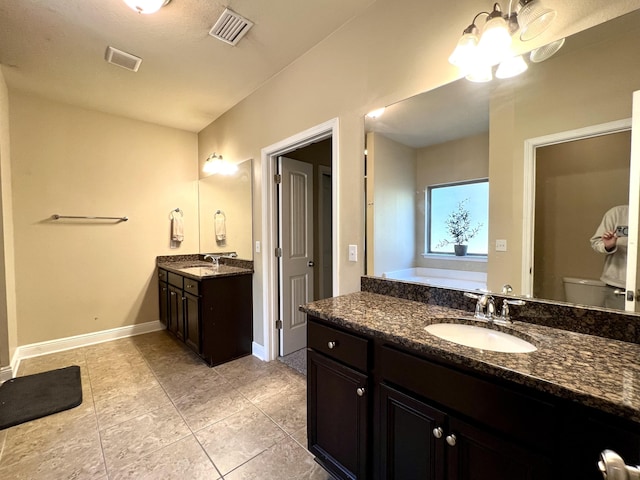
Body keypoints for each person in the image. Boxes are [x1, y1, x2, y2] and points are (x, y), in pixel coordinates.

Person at [590, 205, 629, 309]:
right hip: (618, 287)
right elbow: (596, 243)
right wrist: (608, 245)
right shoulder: (617, 213)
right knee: (616, 324)